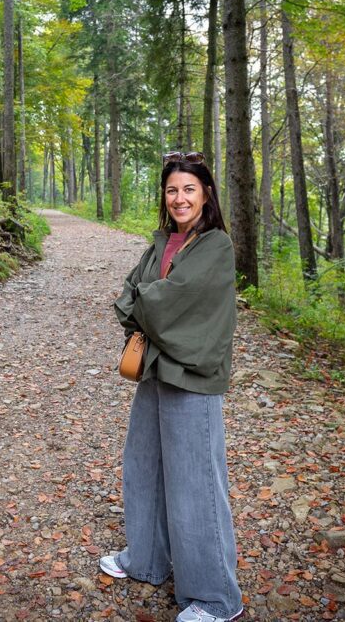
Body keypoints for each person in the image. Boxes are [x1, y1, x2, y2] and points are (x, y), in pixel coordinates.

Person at [103, 151, 244, 622]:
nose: (179, 198)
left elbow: (168, 303)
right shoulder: (165, 240)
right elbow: (131, 293)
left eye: (188, 189)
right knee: (142, 465)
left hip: (192, 378)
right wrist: (147, 299)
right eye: (171, 190)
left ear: (206, 193)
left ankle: (215, 598)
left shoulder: (215, 246)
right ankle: (146, 560)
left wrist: (147, 299)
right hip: (156, 371)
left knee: (195, 483)